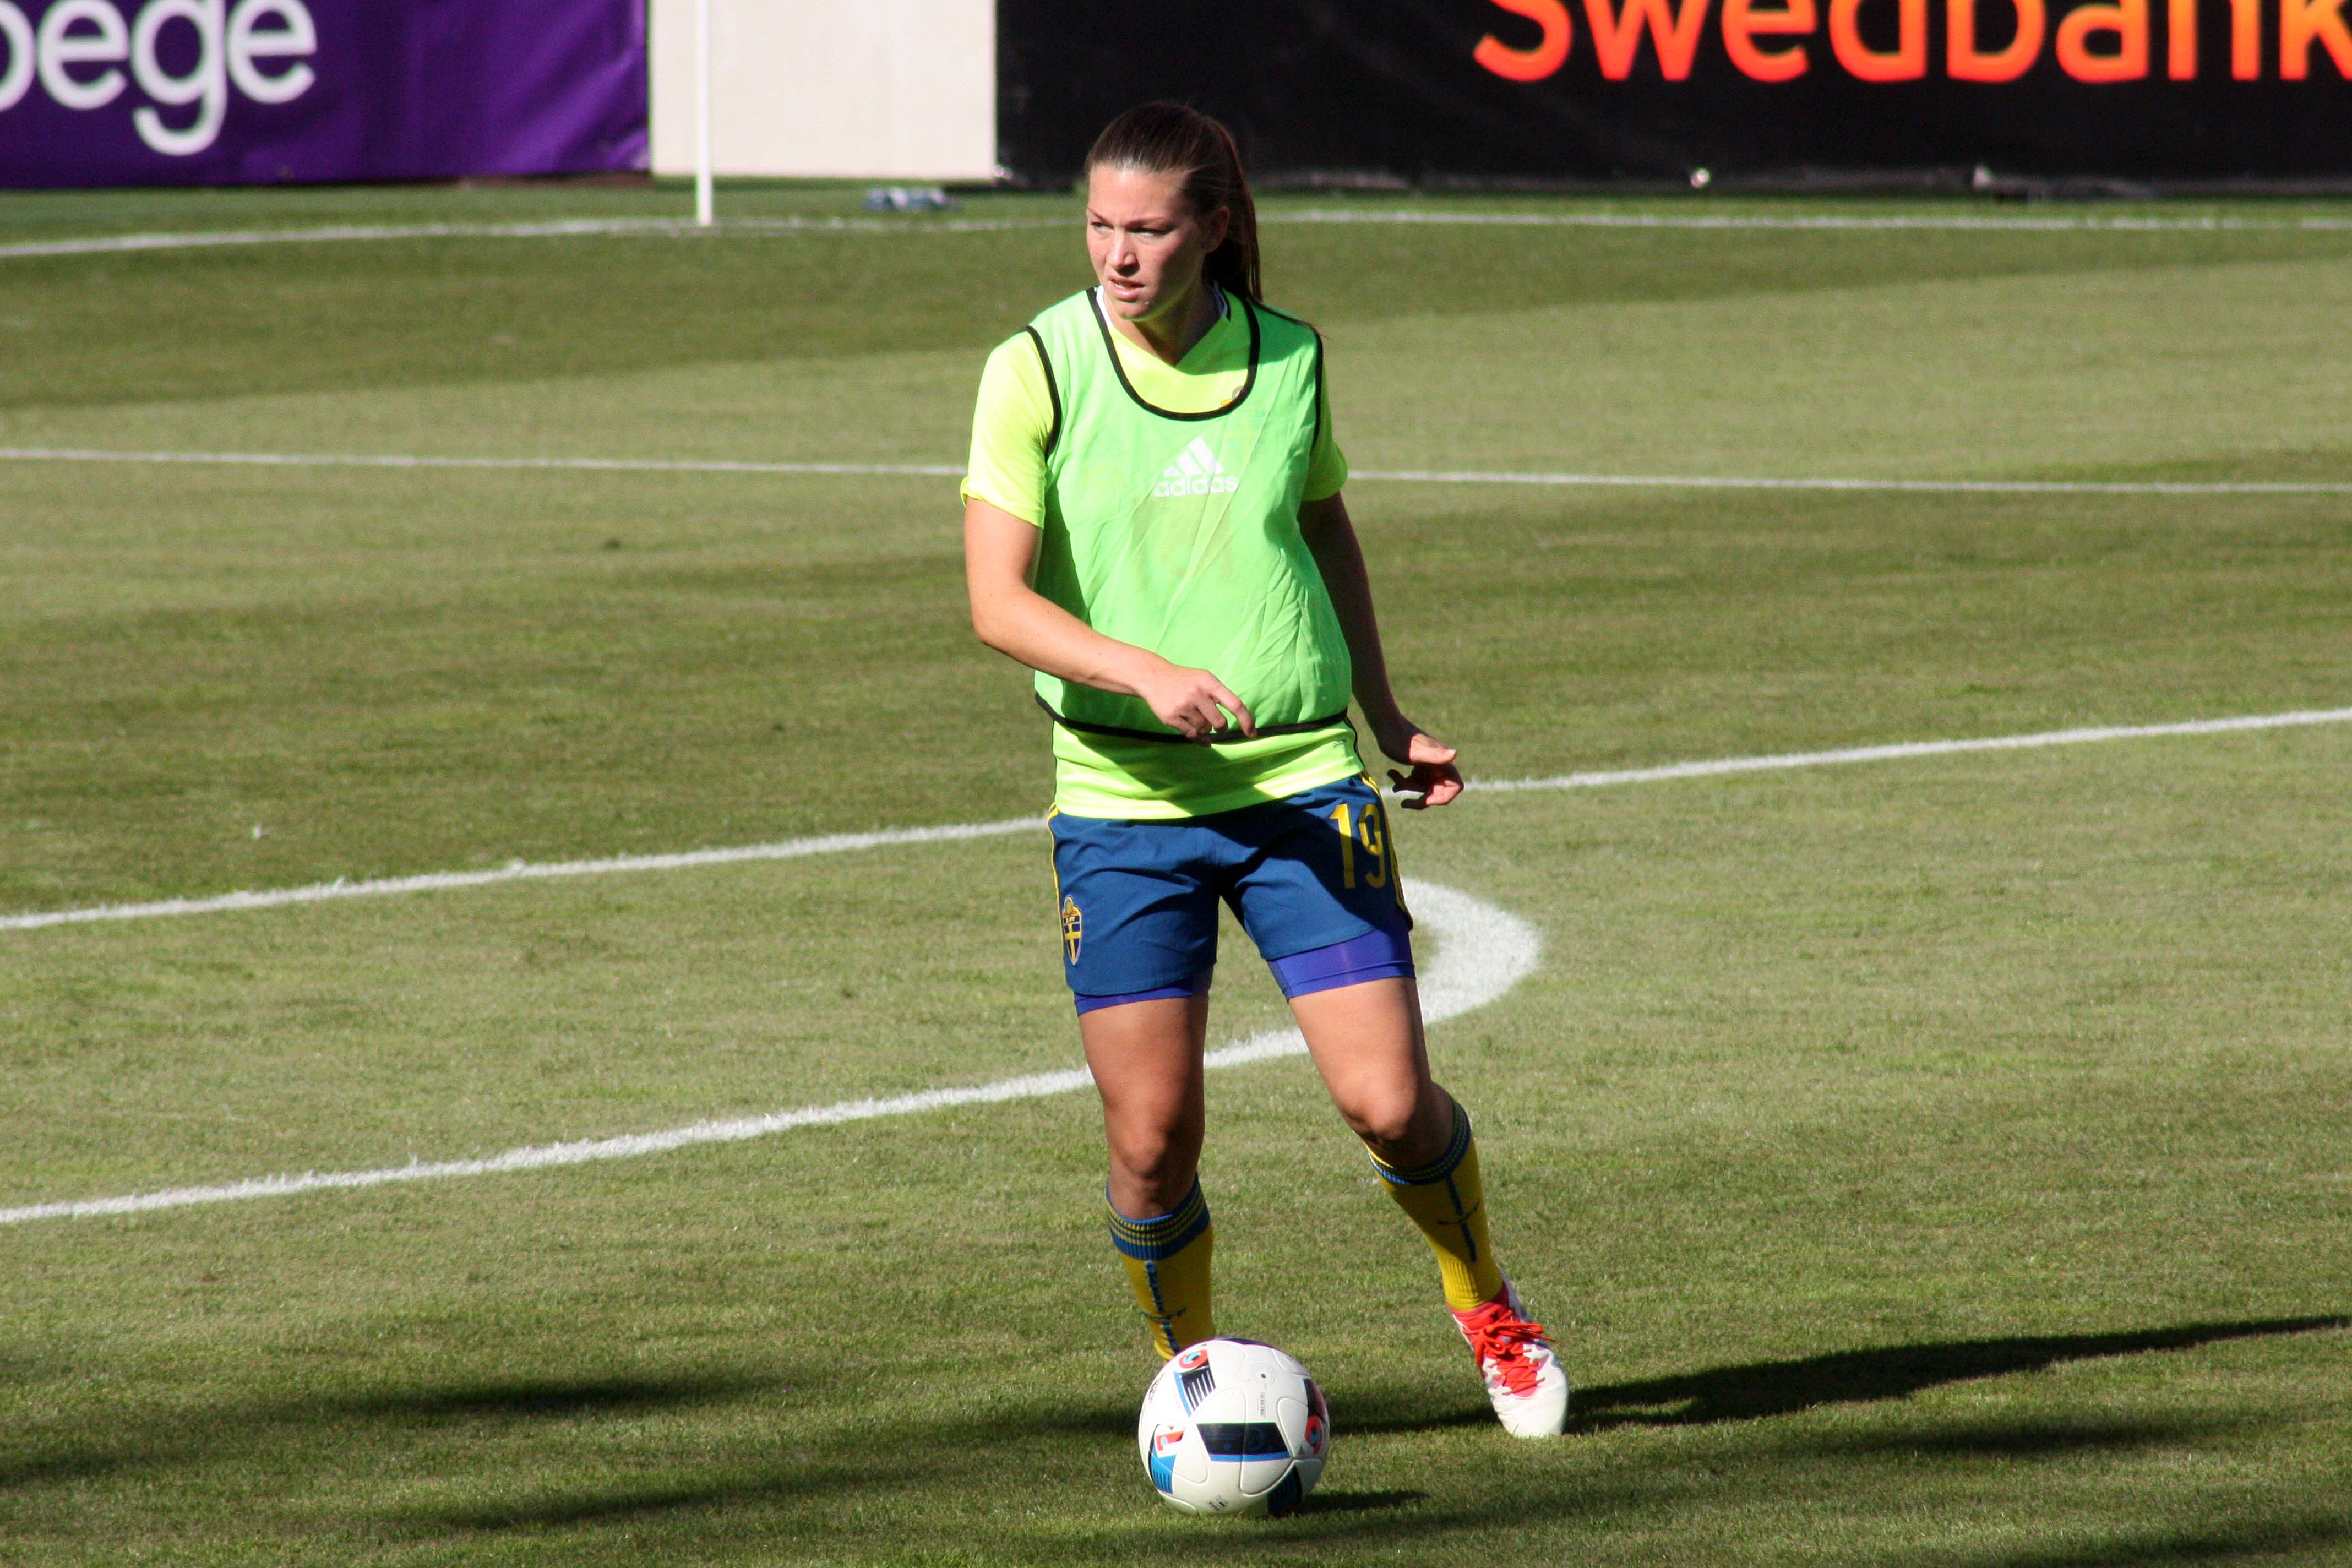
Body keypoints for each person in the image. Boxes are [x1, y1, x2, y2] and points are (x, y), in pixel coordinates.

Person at [960, 102, 1568, 1439]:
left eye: (1148, 229)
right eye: (1099, 226)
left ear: (1213, 228)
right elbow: (997, 602)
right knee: (1149, 1140)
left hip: (1300, 785)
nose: (1119, 255)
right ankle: (1194, 1384)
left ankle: (1488, 1303)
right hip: (1123, 805)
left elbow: (1320, 523)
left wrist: (1387, 710)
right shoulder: (1036, 367)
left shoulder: (1289, 355)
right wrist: (1142, 670)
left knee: (1390, 1104)